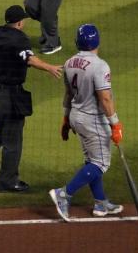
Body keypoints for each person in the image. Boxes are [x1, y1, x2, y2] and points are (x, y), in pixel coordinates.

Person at [0, 5, 63, 192]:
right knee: (13, 138)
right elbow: (30, 59)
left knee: (2, 130)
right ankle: (8, 181)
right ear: (19, 22)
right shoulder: (20, 39)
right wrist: (49, 67)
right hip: (8, 95)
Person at [48, 24, 124, 221]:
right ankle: (64, 194)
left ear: (77, 42)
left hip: (76, 117)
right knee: (100, 163)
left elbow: (68, 94)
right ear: (97, 41)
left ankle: (100, 202)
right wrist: (115, 124)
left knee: (92, 160)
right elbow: (105, 98)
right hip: (93, 121)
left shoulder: (69, 62)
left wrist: (66, 119)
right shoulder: (100, 66)